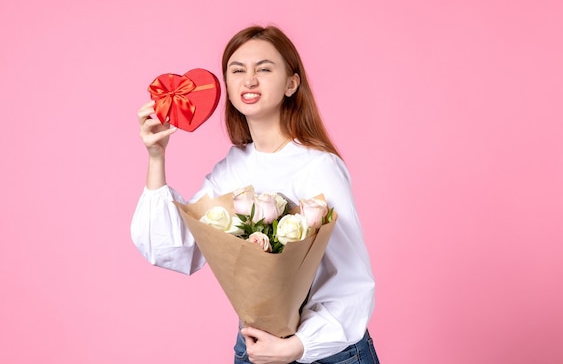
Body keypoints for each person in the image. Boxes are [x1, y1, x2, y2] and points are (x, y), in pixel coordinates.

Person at [132, 25, 379, 364]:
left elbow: (353, 280)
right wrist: (156, 156)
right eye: (237, 70)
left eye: (264, 68)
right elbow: (178, 249)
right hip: (256, 348)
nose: (249, 80)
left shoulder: (319, 166)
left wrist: (297, 346)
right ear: (228, 88)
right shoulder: (231, 169)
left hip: (328, 353)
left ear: (291, 83)